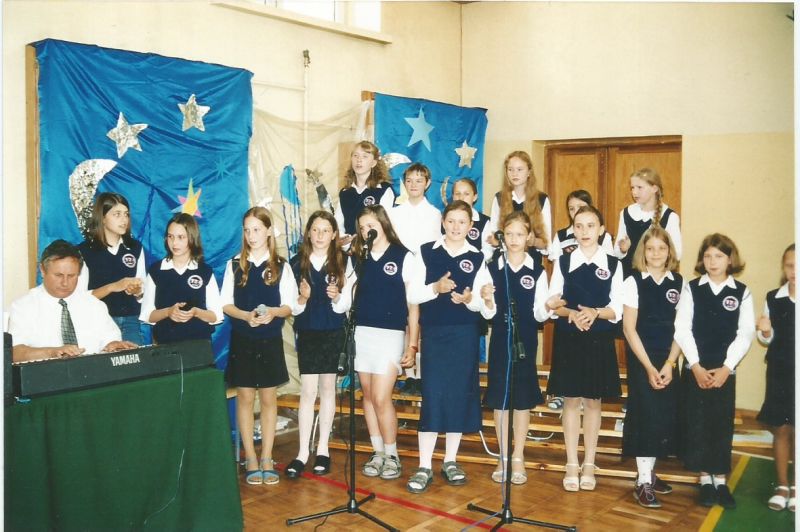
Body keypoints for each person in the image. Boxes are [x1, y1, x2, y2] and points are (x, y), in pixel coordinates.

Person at [406, 200, 495, 493]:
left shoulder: (478, 257)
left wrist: (471, 299)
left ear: (471, 226)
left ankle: (450, 460)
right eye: (451, 221)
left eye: (462, 222)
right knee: (433, 395)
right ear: (443, 222)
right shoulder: (426, 252)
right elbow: (413, 294)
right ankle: (424, 465)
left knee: (458, 396)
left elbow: (486, 305)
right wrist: (436, 288)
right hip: (434, 334)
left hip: (464, 335)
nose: (456, 227)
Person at [545, 205, 623, 492]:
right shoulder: (563, 262)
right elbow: (554, 304)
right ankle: (571, 463)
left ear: (601, 230)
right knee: (570, 401)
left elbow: (617, 309)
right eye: (579, 226)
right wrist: (572, 313)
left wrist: (595, 312)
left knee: (592, 402)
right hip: (570, 338)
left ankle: (589, 463)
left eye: (591, 226)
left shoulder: (613, 263)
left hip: (598, 339)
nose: (585, 231)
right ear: (573, 230)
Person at [674, 233, 754, 509]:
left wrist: (727, 367)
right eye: (707, 256)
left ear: (730, 259)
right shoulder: (692, 288)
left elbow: (745, 333)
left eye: (719, 256)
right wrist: (695, 365)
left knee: (720, 425)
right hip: (696, 368)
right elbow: (682, 329)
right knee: (698, 424)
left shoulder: (741, 292)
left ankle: (720, 481)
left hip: (724, 371)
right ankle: (705, 481)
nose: (712, 261)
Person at [221, 207, 299, 486]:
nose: (251, 235)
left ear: (268, 231)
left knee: (268, 399)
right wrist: (245, 316)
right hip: (243, 339)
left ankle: (267, 457)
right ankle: (251, 458)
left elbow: (289, 306)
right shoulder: (234, 264)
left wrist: (272, 313)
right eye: (247, 230)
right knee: (244, 398)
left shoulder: (281, 265)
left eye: (256, 229)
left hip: (269, 340)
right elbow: (226, 303)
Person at [351, 205, 418, 481]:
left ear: (383, 224)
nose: (367, 231)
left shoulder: (403, 256)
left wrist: (412, 345)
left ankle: (392, 454)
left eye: (371, 225)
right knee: (367, 396)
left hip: (390, 334)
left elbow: (413, 306)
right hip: (362, 332)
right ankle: (377, 451)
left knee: (381, 396)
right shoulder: (360, 258)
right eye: (362, 227)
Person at [483, 211, 550, 486]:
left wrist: (549, 307)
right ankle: (503, 456)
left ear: (529, 237)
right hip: (500, 338)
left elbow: (540, 313)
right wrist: (487, 300)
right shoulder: (492, 267)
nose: (513, 239)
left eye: (519, 234)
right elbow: (487, 313)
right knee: (501, 398)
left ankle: (518, 455)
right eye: (509, 234)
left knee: (521, 400)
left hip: (525, 340)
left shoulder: (537, 270)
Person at [286, 211, 352, 479]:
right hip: (308, 332)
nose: (320, 235)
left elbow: (346, 304)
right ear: (309, 233)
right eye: (315, 230)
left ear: (334, 234)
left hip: (333, 331)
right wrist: (302, 298)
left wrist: (336, 297)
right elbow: (291, 306)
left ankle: (323, 448)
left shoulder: (344, 261)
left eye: (326, 230)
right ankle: (303, 452)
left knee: (327, 389)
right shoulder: (296, 263)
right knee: (307, 392)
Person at [621, 226, 682, 508]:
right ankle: (643, 482)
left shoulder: (678, 283)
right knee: (646, 416)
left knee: (662, 417)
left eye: (661, 248)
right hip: (642, 358)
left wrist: (670, 363)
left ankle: (650, 474)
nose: (656, 254)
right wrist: (648, 366)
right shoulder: (633, 281)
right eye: (650, 248)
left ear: (669, 252)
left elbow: (682, 329)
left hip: (668, 360)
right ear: (642, 252)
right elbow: (629, 329)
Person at [9, 239, 135, 361]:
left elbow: (110, 340)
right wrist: (52, 353)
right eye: (58, 275)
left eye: (71, 276)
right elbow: (15, 352)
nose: (65, 283)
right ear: (42, 270)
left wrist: (113, 345)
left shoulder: (94, 305)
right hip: (46, 373)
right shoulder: (23, 307)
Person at [388, 163, 442, 395]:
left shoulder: (434, 214)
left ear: (427, 184)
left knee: (418, 323)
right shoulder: (394, 212)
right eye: (409, 180)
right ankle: (408, 374)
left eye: (419, 180)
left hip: (422, 272)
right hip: (400, 271)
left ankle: (420, 375)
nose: (413, 185)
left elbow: (433, 247)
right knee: (404, 323)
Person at [139, 213, 222, 344]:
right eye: (170, 236)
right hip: (166, 343)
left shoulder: (204, 271)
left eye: (181, 237)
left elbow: (215, 315)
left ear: (192, 238)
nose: (174, 243)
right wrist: (168, 312)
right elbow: (148, 315)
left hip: (199, 343)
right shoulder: (156, 271)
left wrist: (196, 312)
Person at [756, 244, 795, 512]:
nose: (794, 271)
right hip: (780, 370)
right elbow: (764, 338)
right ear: (783, 267)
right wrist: (766, 331)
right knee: (781, 428)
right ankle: (782, 485)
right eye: (790, 266)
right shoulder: (773, 298)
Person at [78, 192, 146, 344]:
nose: (124, 220)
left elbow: (142, 290)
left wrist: (137, 291)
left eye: (126, 214)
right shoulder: (85, 251)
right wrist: (113, 287)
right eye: (117, 214)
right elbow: (80, 298)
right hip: (99, 322)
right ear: (102, 218)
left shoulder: (135, 248)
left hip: (131, 321)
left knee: (135, 357)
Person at [614, 168, 682, 276]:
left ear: (654, 188)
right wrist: (623, 249)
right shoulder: (626, 213)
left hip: (657, 275)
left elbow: (677, 254)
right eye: (632, 188)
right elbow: (616, 252)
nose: (634, 192)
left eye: (639, 187)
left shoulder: (670, 216)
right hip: (629, 275)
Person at [488, 151, 551, 264]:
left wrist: (533, 241)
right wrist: (496, 241)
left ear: (529, 172)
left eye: (519, 169)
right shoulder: (499, 198)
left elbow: (546, 243)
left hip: (530, 260)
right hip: (504, 260)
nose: (514, 174)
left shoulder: (542, 199)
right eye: (510, 169)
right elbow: (493, 236)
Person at [335, 141, 395, 248]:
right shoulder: (345, 193)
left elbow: (386, 226)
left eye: (365, 156)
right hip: (349, 250)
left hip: (375, 248)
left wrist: (363, 245)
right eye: (355, 155)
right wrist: (346, 243)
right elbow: (338, 223)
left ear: (373, 163)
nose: (359, 160)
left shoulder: (384, 190)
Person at [549, 189, 613, 262]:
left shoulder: (603, 236)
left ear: (590, 207)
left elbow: (610, 263)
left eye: (580, 207)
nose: (576, 212)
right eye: (571, 209)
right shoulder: (561, 236)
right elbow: (557, 264)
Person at [451, 178, 493, 261]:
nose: (461, 198)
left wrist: (472, 260)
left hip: (474, 264)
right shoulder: (444, 220)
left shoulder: (484, 221)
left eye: (466, 194)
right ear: (453, 197)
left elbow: (488, 250)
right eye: (457, 194)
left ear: (474, 197)